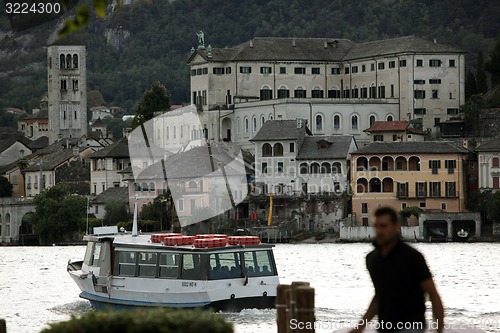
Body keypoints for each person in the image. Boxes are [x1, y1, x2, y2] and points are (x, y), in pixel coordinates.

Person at [350, 206, 444, 333]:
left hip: (411, 325)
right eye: (376, 226)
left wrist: (439, 329)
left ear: (396, 226)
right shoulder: (372, 259)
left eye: (383, 226)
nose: (379, 231)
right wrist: (359, 328)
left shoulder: (412, 257)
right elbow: (379, 295)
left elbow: (432, 293)